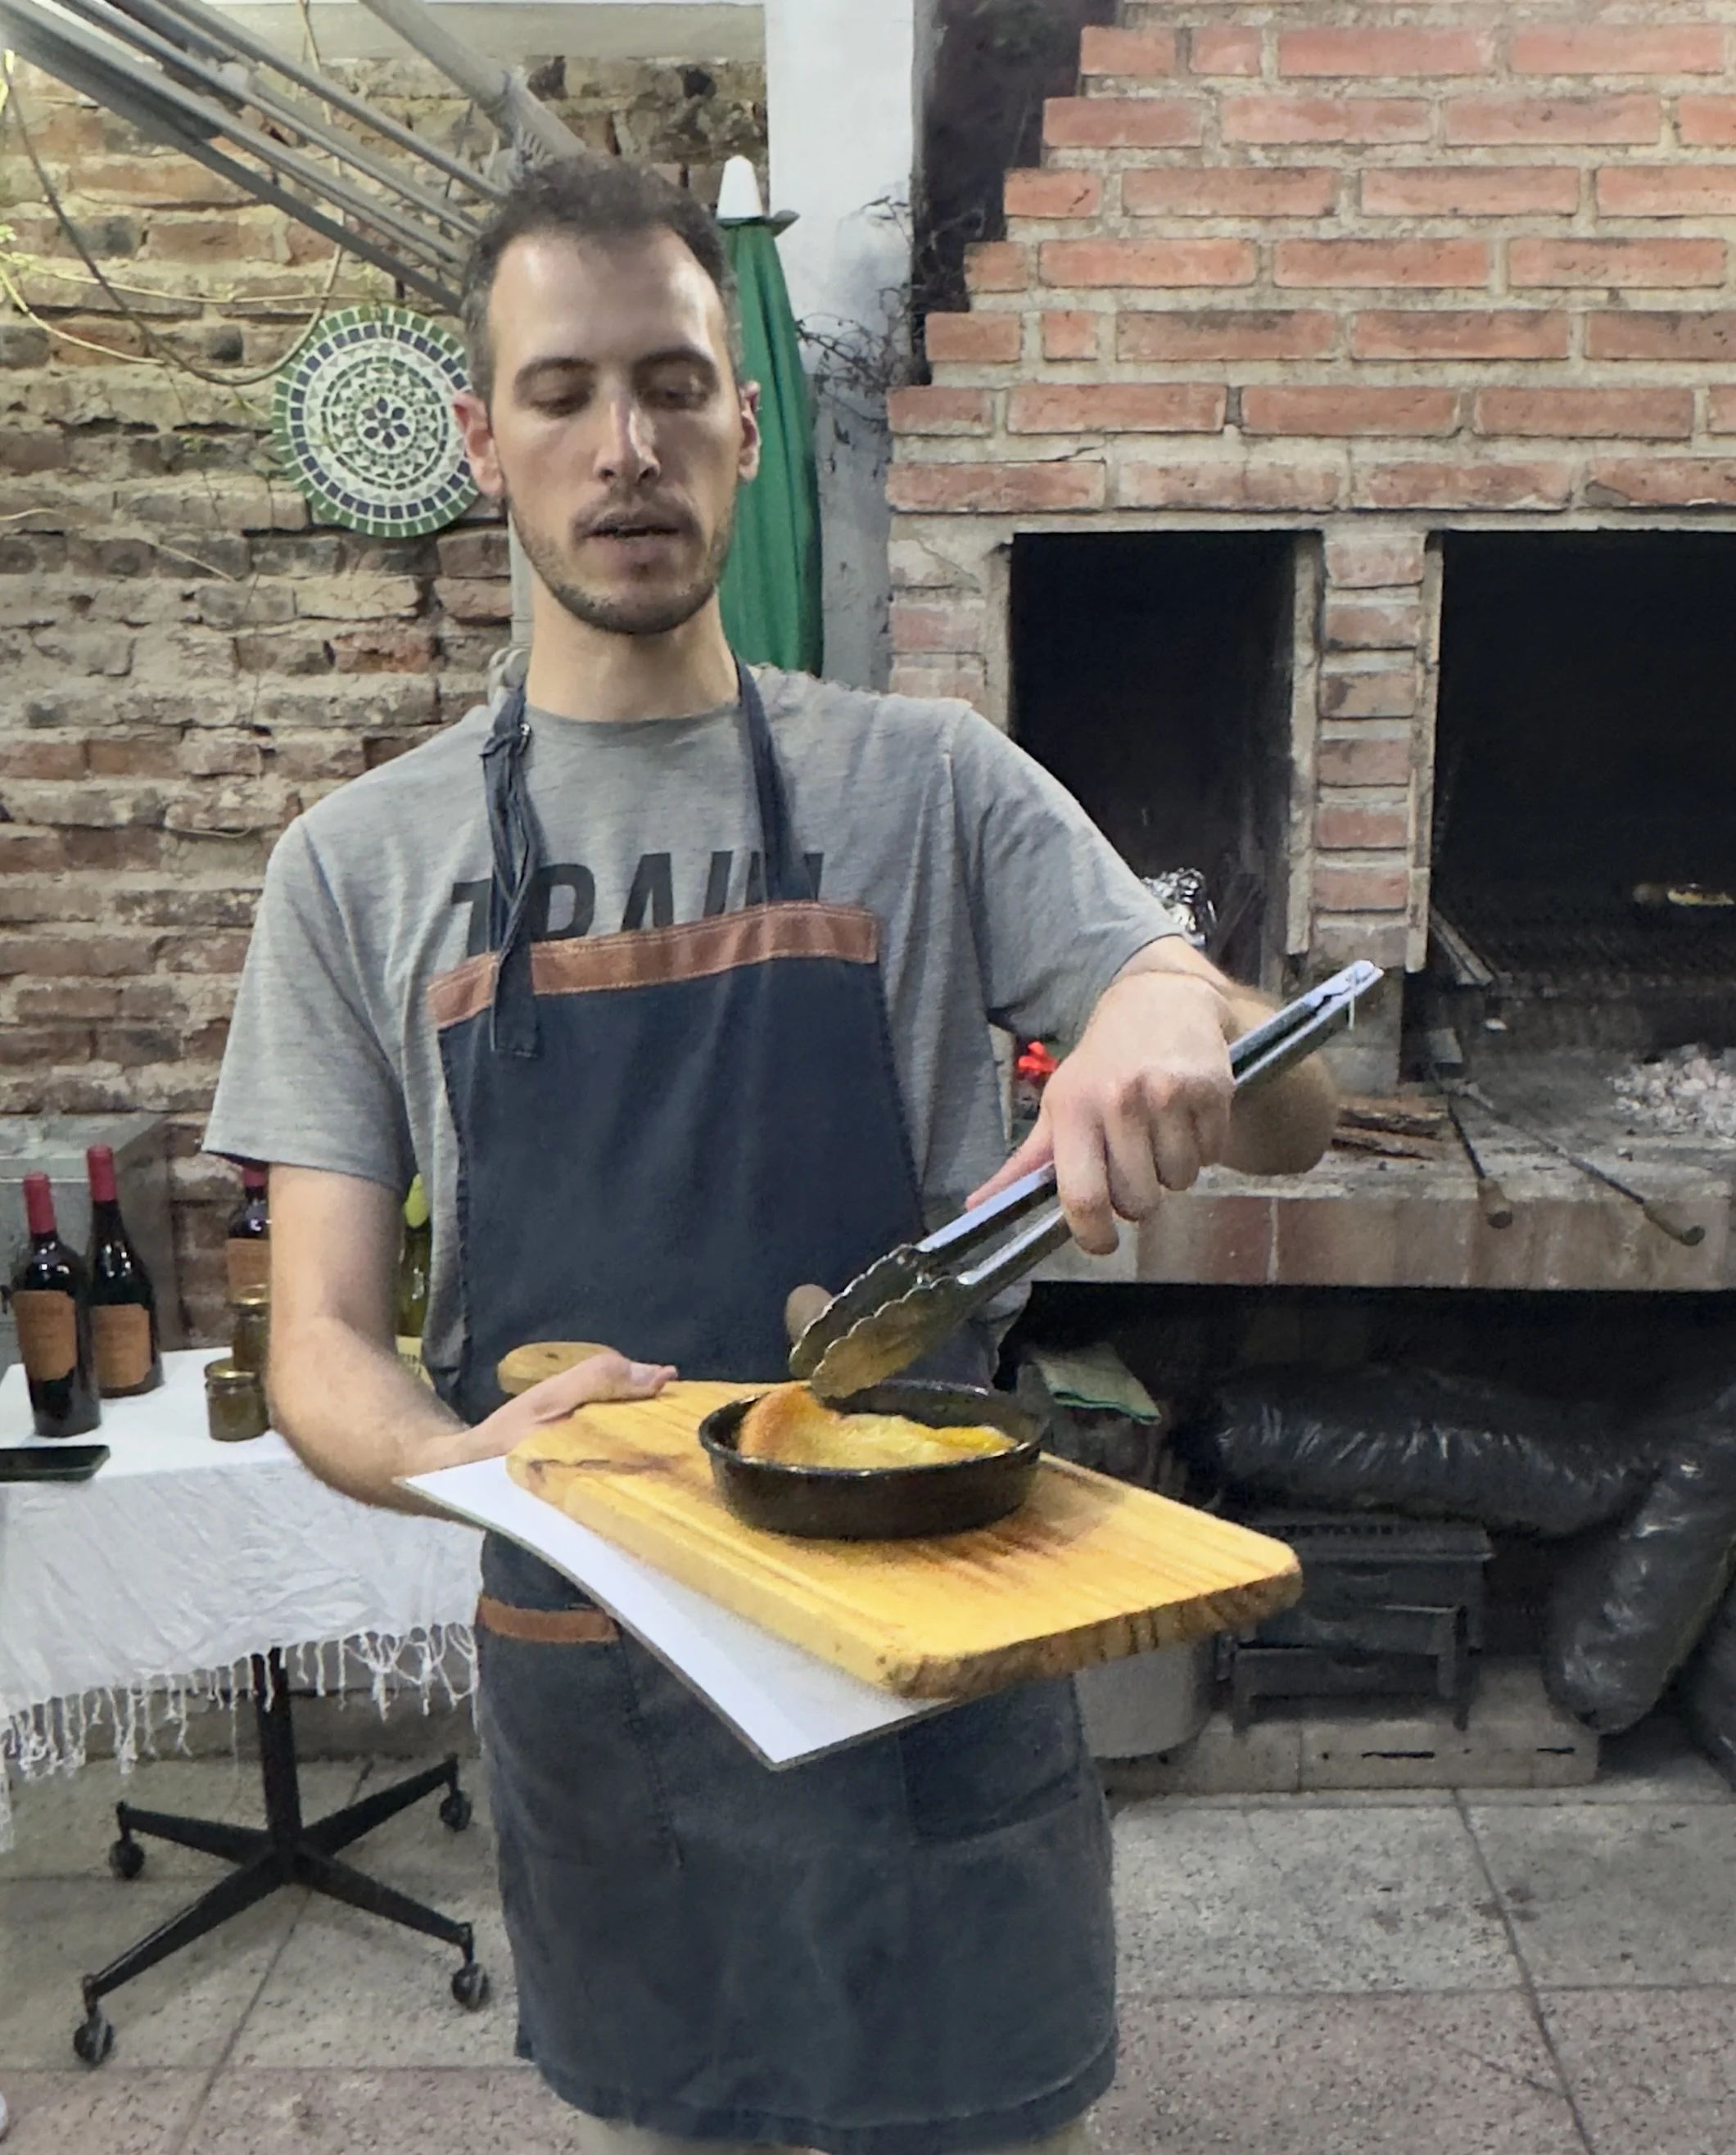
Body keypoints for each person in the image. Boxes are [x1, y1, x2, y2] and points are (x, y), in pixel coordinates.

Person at [205, 158, 1338, 2155]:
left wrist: (1172, 999)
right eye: (561, 391)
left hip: (933, 1647)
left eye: (670, 384)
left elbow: (1298, 1115)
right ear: (480, 436)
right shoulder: (353, 868)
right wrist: (451, 1458)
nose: (623, 446)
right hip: (604, 1684)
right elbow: (317, 1343)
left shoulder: (931, 781)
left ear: (743, 422)